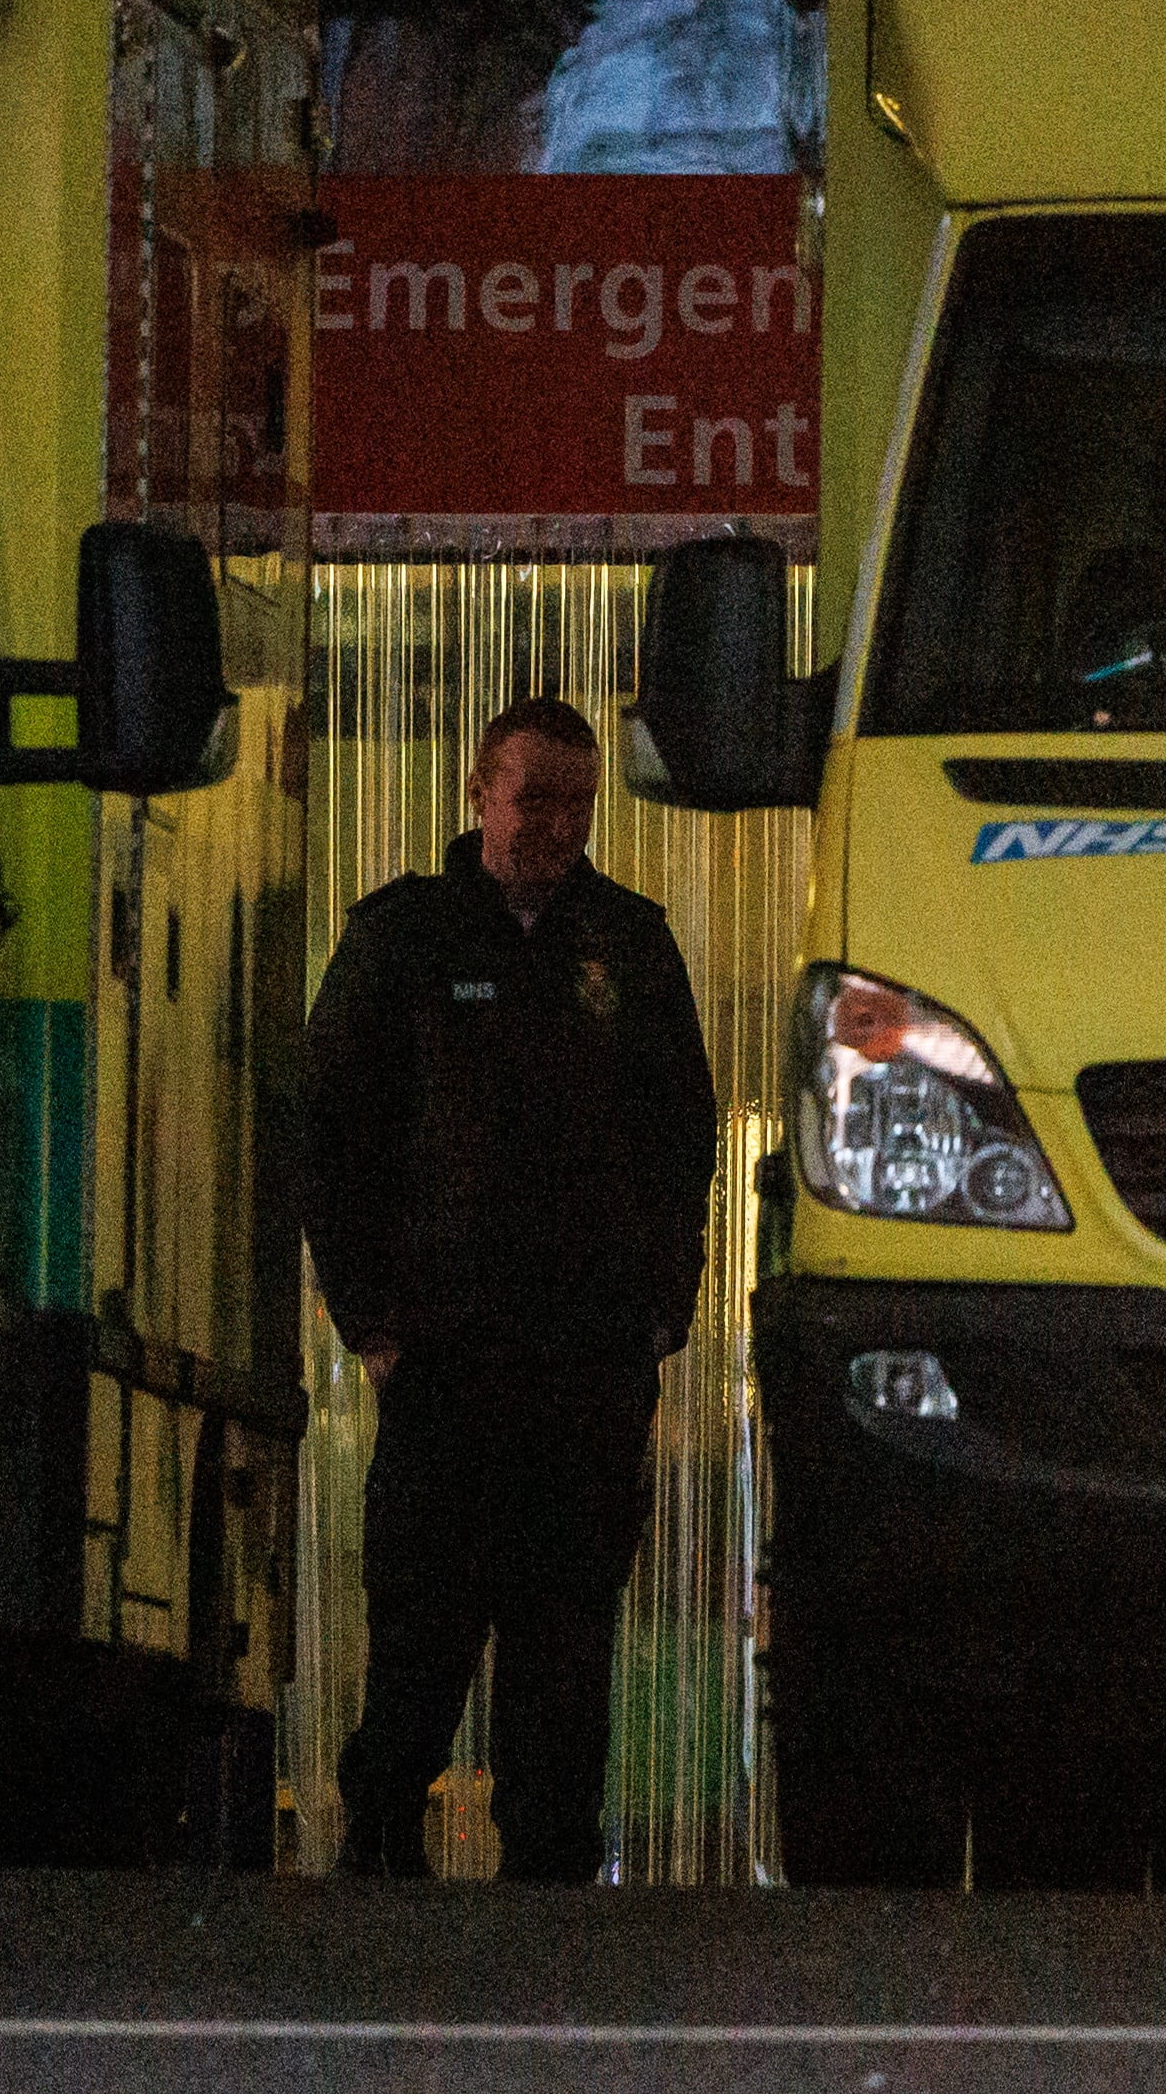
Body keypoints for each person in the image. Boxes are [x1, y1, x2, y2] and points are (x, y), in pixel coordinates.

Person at [305, 695, 720, 1882]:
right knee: (421, 1630)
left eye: (577, 802)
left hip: (585, 1366)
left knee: (567, 1639)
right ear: (476, 789)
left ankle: (550, 1877)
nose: (555, 822)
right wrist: (370, 1321)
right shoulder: (405, 939)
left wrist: (662, 1306)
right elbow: (330, 1135)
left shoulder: (628, 946)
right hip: (445, 1360)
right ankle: (380, 1831)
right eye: (533, 795)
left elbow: (679, 1133)